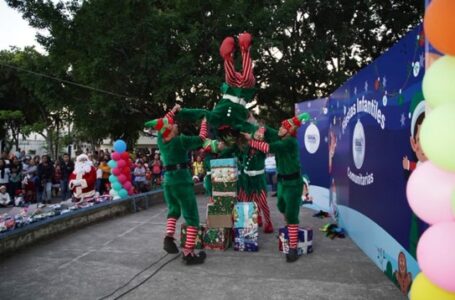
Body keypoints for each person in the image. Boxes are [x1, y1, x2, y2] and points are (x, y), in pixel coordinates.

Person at [243, 112, 310, 262]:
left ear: (290, 131)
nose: (279, 128)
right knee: (281, 206)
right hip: (282, 182)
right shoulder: (281, 136)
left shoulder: (289, 142)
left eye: (283, 127)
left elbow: (267, 147)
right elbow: (267, 130)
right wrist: (257, 126)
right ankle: (289, 228)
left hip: (293, 184)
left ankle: (293, 247)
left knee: (292, 214)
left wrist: (250, 141)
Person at [145, 105, 207, 265]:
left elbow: (164, 122)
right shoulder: (181, 140)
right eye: (173, 124)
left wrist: (173, 110)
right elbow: (201, 139)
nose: (175, 123)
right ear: (170, 129)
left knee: (173, 209)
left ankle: (169, 237)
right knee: (192, 216)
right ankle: (188, 252)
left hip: (168, 181)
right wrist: (205, 121)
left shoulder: (161, 140)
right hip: (181, 180)